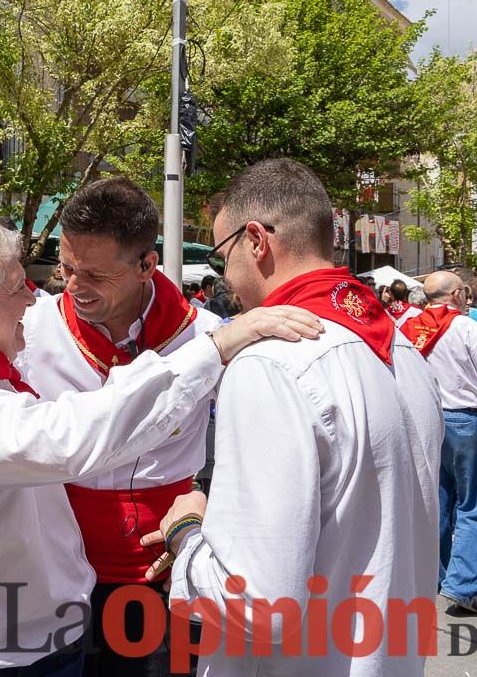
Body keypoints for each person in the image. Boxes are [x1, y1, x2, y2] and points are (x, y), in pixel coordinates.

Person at [0, 179, 312, 677]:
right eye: (67, 268)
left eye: (95, 274)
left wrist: (214, 512)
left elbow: (255, 440)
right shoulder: (27, 326)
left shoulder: (207, 332)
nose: (71, 287)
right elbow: (27, 420)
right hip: (38, 585)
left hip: (157, 569)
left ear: (147, 265)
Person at [143, 159, 443, 676]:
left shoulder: (270, 362)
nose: (226, 279)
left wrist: (186, 532)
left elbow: (257, 607)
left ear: (256, 241)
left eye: (222, 258)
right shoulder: (403, 350)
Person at [400, 271, 477, 614]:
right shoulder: (466, 327)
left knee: (437, 501)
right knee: (476, 504)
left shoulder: (406, 328)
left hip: (426, 419)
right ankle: (464, 585)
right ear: (459, 294)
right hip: (465, 420)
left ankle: (437, 574)